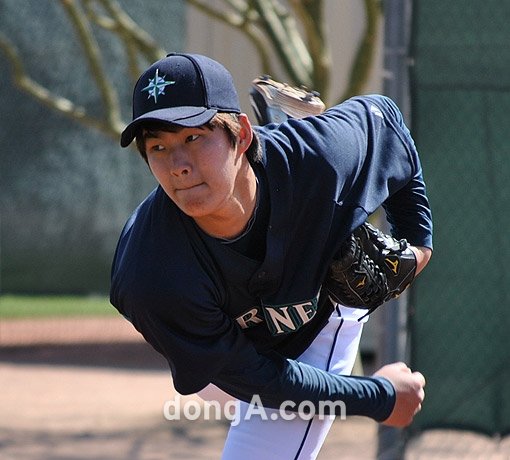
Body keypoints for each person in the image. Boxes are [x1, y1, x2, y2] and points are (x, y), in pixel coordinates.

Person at [111, 52, 433, 459]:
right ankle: (276, 124)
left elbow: (384, 119)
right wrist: (378, 396)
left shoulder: (324, 155)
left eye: (193, 137)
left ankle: (283, 130)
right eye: (158, 146)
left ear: (240, 135)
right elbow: (261, 380)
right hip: (233, 351)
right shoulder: (150, 274)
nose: (178, 165)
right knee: (229, 392)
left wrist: (419, 244)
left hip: (318, 303)